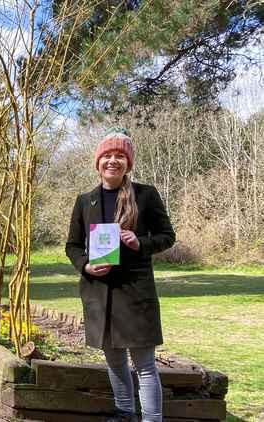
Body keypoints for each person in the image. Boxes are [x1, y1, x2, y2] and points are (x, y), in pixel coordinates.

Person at [65, 132, 175, 422]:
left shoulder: (146, 195)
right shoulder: (84, 201)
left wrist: (141, 243)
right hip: (99, 293)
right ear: (98, 162)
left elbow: (167, 236)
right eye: (107, 156)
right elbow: (72, 246)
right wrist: (85, 265)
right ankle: (125, 413)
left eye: (120, 156)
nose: (113, 160)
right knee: (114, 361)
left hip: (135, 294)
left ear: (128, 163)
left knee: (145, 365)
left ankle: (152, 419)